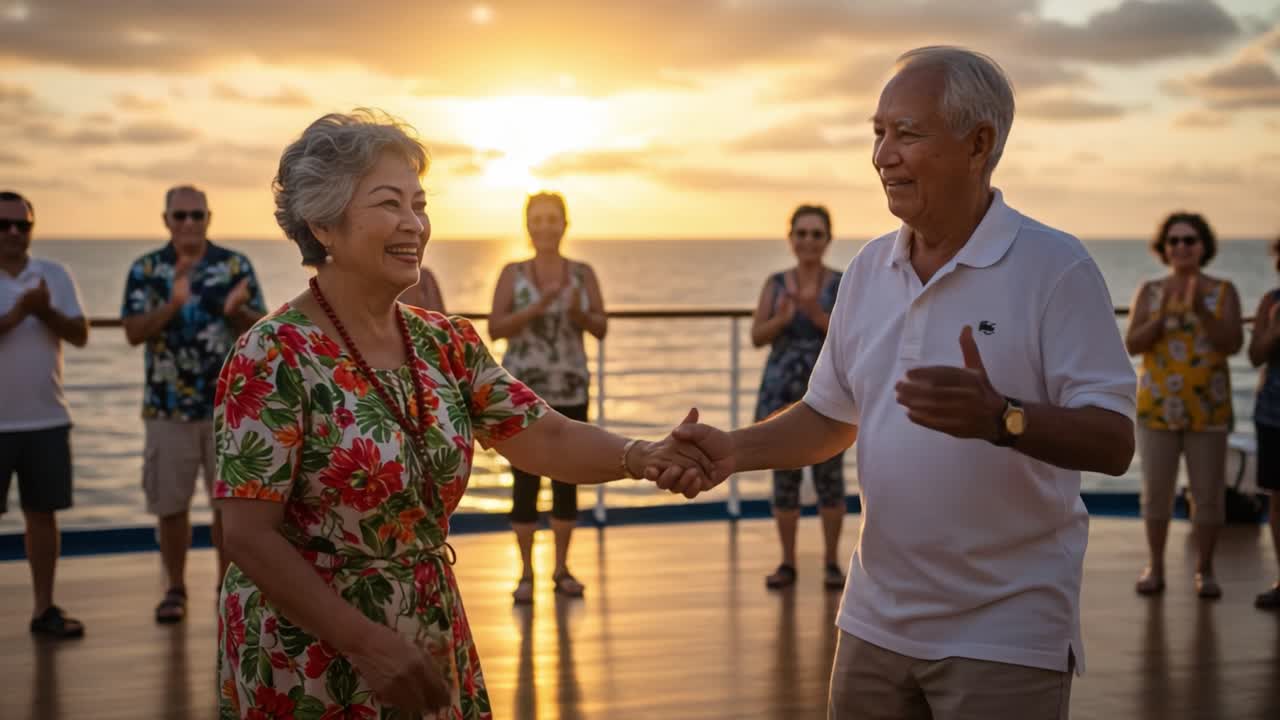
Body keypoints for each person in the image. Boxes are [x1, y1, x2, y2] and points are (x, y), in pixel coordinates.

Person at [651, 47, 1137, 718]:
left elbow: (1114, 442)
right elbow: (830, 416)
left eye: (905, 133)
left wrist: (1003, 418)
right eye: (877, 133)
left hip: (1006, 631)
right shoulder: (871, 270)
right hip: (874, 622)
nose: (882, 154)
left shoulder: (1056, 269)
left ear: (979, 143)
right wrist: (736, 451)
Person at [213, 109, 710, 719]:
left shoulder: (444, 343)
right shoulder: (272, 354)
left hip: (424, 626)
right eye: (389, 204)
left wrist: (644, 455)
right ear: (324, 224)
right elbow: (245, 534)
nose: (414, 224)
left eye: (419, 205)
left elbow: (545, 436)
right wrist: (366, 644)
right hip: (307, 653)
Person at [121, 184, 266, 624]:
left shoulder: (234, 266)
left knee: (230, 506)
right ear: (166, 220)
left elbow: (262, 331)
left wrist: (236, 311)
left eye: (196, 215)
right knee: (171, 505)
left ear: (209, 217)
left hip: (229, 408)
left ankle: (229, 589)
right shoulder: (147, 269)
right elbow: (133, 332)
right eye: (180, 216)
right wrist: (174, 303)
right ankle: (175, 589)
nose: (189, 223)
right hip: (168, 408)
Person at [488, 191, 607, 604]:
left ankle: (561, 569)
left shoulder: (582, 273)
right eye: (537, 219)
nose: (544, 227)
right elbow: (496, 326)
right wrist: (536, 307)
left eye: (552, 219)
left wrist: (576, 312)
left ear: (564, 223)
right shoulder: (512, 272)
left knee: (567, 481)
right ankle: (524, 573)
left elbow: (601, 327)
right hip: (521, 392)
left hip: (570, 387)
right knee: (523, 481)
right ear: (527, 225)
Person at [1125, 212, 1242, 599]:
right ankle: (1155, 567)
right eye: (1173, 241)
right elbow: (1133, 343)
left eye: (1189, 240)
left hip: (1207, 408)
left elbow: (1232, 344)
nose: (1181, 247)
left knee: (1208, 495)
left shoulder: (1223, 291)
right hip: (1158, 408)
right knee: (1155, 493)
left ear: (1203, 245)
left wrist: (1201, 311)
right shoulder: (1152, 290)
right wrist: (1161, 318)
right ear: (1164, 248)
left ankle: (1204, 571)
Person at [0, 190, 89, 639]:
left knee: (43, 517)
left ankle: (44, 609)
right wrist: (20, 312)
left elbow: (79, 335)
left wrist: (46, 309)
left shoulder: (54, 274)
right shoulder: (29, 292)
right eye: (5, 225)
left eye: (23, 224)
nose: (15, 233)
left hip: (46, 418)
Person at [751, 204, 846, 590]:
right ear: (791, 238)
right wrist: (785, 319)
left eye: (816, 234)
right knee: (784, 480)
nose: (808, 241)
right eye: (802, 233)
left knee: (830, 478)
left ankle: (831, 563)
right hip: (781, 390)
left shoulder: (842, 283)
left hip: (828, 393)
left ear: (828, 239)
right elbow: (757, 336)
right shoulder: (775, 283)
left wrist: (816, 314)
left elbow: (853, 338)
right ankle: (787, 562)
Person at [1248, 234, 1280, 610]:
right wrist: (1273, 330)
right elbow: (1255, 356)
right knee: (1277, 498)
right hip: (1273, 413)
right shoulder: (1271, 302)